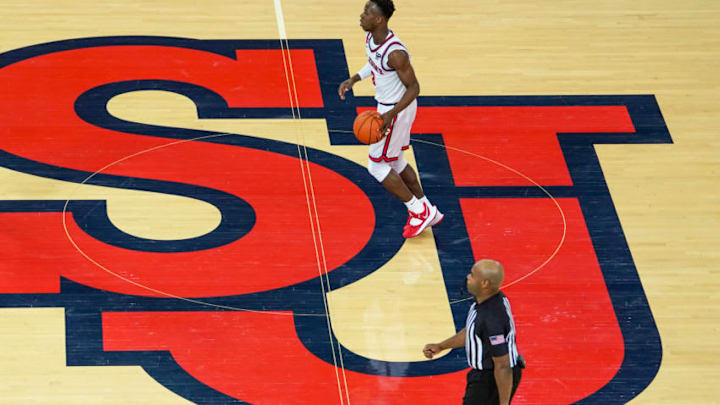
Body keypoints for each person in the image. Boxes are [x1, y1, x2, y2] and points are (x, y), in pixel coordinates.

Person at [338, 0, 443, 238]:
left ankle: (418, 211)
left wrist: (389, 116)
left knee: (376, 166)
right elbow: (373, 64)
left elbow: (414, 88)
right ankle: (428, 209)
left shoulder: (396, 53)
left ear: (379, 20)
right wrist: (354, 79)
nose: (362, 15)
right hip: (387, 108)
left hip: (397, 109)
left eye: (368, 12)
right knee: (395, 162)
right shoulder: (371, 38)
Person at [423, 260, 525, 405]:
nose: (468, 277)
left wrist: (504, 403)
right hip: (488, 376)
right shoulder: (487, 299)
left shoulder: (492, 320)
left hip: (491, 380)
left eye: (473, 275)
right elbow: (472, 332)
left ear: (485, 284)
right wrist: (441, 346)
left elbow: (503, 365)